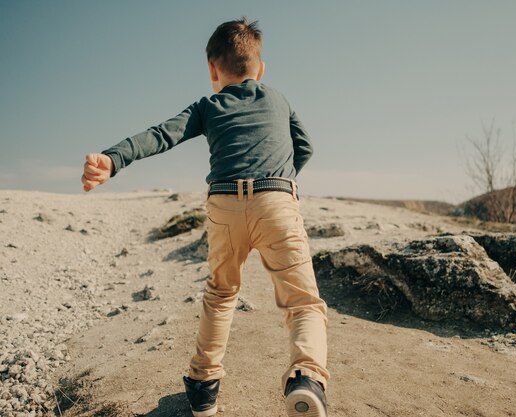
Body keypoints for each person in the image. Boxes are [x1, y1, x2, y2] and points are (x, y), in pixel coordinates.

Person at [81, 17, 330, 417]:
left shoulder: (207, 104)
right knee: (303, 304)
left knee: (220, 295)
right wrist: (280, 182)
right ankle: (306, 378)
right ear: (260, 68)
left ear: (213, 70)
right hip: (276, 203)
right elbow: (306, 146)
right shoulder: (278, 99)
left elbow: (162, 134)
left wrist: (113, 158)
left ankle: (203, 386)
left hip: (225, 204)